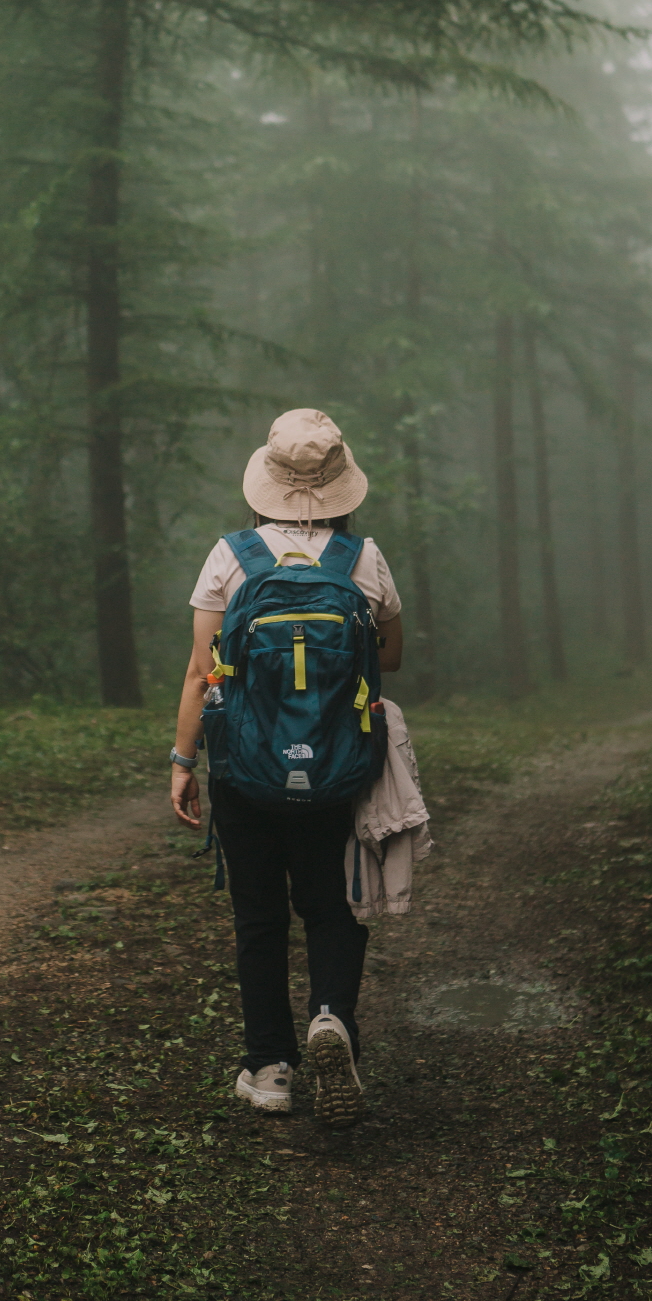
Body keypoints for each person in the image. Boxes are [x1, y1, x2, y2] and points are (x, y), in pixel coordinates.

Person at [170, 408, 403, 1125]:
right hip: (336, 770)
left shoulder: (230, 556)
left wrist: (183, 761)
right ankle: (332, 1017)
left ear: (266, 480)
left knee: (260, 917)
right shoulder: (362, 560)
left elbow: (200, 672)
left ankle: (269, 1067)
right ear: (340, 487)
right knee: (332, 909)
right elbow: (388, 658)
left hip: (246, 770)